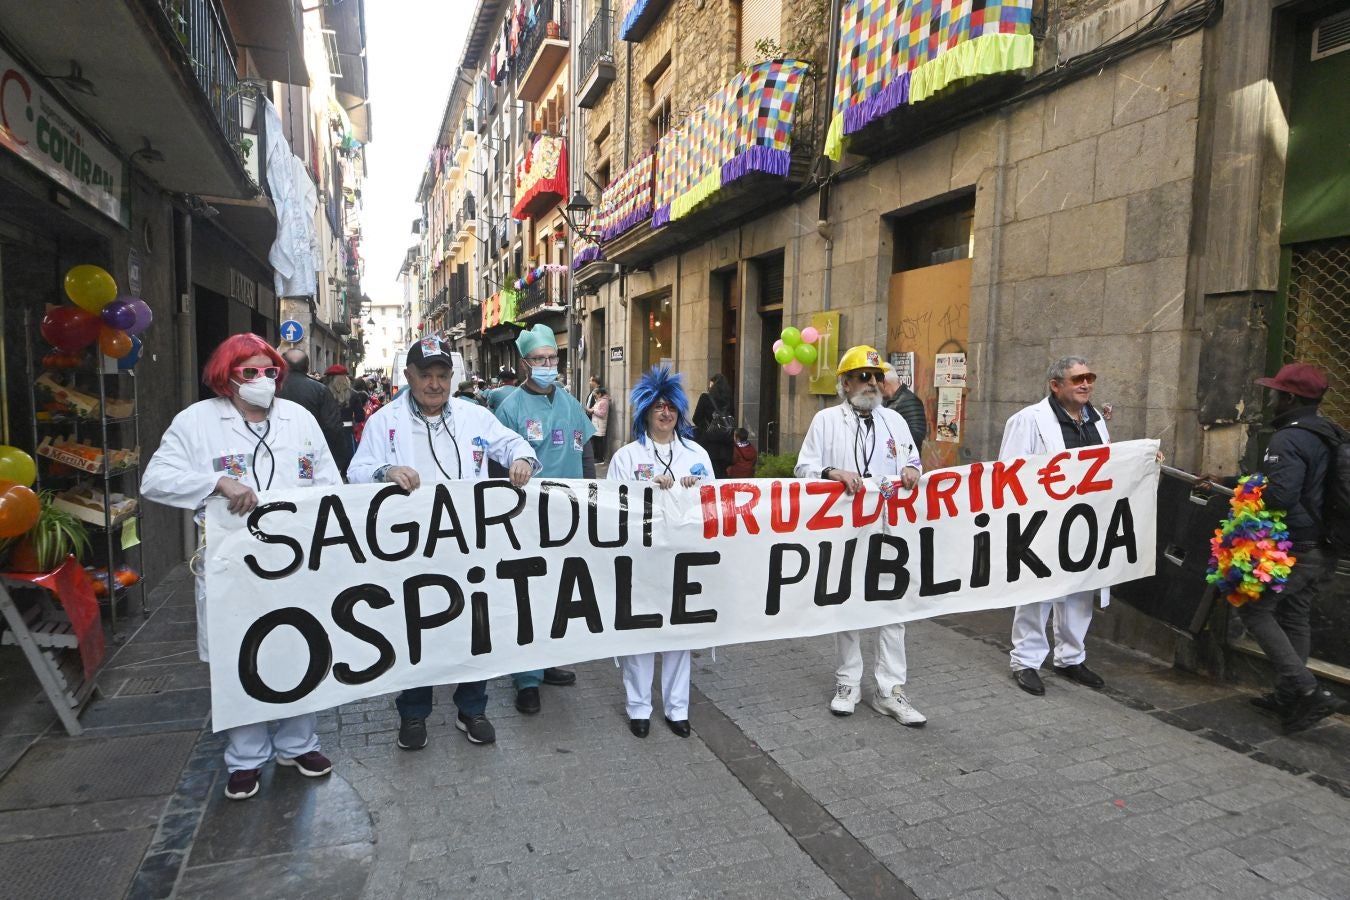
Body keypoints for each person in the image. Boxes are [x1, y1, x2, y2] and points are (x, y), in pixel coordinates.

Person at [142, 334, 339, 801]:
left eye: (269, 371)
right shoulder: (196, 422)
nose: (262, 380)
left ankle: (298, 743)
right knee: (239, 656)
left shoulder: (300, 419)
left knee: (301, 647)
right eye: (249, 372)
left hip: (297, 562)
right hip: (232, 566)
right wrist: (216, 482)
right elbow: (155, 479)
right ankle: (246, 757)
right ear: (226, 377)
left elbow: (330, 479)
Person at [347, 335, 541, 751]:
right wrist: (385, 469)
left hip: (469, 547)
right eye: (425, 376)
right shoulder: (385, 421)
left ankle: (472, 708)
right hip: (410, 551)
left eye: (442, 375)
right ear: (408, 376)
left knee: (476, 628)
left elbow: (511, 443)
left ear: (452, 378)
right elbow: (354, 472)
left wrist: (522, 459)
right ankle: (413, 713)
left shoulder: (474, 416)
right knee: (416, 630)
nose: (434, 384)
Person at [795, 345, 925, 725]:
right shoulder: (826, 421)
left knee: (894, 607)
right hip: (846, 530)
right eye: (863, 376)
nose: (871, 383)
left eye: (876, 377)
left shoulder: (895, 422)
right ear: (846, 382)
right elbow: (805, 468)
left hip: (889, 529)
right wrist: (833, 472)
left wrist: (914, 471)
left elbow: (911, 459)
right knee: (847, 603)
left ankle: (891, 691)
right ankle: (848, 682)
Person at [493, 323, 595, 713]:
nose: (548, 365)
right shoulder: (510, 408)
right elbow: (496, 464)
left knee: (558, 593)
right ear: (524, 364)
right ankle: (526, 678)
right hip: (525, 519)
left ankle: (549, 660)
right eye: (540, 359)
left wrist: (590, 497)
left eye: (552, 358)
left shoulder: (569, 402)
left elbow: (585, 452)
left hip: (567, 517)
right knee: (528, 595)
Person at [608, 367, 714, 739]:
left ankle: (677, 708)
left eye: (671, 406)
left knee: (678, 638)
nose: (665, 413)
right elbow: (610, 508)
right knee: (640, 636)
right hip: (641, 560)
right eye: (657, 407)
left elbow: (713, 505)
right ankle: (638, 708)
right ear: (645, 412)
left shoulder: (697, 454)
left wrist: (693, 488)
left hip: (683, 559)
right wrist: (645, 490)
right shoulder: (625, 457)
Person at [1001, 356, 1111, 696]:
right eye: (1077, 379)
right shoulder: (1028, 421)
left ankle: (1070, 657)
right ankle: (1026, 660)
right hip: (1044, 521)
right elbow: (1009, 472)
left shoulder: (1096, 420)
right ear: (1055, 385)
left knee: (1080, 589)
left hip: (1086, 519)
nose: (1085, 384)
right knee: (1039, 592)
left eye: (1089, 378)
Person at [1241, 363, 1342, 733]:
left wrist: (1244, 494)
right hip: (1324, 545)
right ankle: (1288, 696)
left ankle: (1308, 690)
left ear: (1290, 397)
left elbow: (1281, 495)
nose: (1270, 399)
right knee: (1295, 614)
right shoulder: (1327, 432)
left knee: (1256, 611)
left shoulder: (1288, 438)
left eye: (1275, 393)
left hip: (1296, 546)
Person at [277, 348, 350, 475]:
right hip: (307, 453)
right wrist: (339, 459)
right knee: (306, 486)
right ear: (307, 367)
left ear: (283, 365)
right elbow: (332, 427)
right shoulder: (319, 390)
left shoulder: (273, 387)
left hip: (277, 452)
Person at [693, 373, 736, 477]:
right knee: (721, 474)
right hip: (726, 445)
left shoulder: (705, 397)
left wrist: (707, 427)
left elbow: (696, 418)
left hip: (708, 443)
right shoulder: (729, 400)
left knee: (708, 474)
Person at [325, 365, 368, 459]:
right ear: (346, 378)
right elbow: (360, 417)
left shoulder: (323, 393)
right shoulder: (354, 394)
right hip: (347, 433)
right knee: (349, 462)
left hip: (327, 433)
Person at [881, 370, 928, 449]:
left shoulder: (909, 400)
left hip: (906, 459)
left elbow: (916, 436)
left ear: (884, 382)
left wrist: (887, 442)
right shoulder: (887, 401)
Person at [589, 387, 610, 463]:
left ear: (600, 394)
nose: (595, 397)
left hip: (599, 425)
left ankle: (599, 458)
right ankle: (596, 457)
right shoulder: (599, 401)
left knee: (599, 442)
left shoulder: (604, 402)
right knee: (596, 441)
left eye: (595, 395)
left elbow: (602, 414)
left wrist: (593, 411)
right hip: (596, 424)